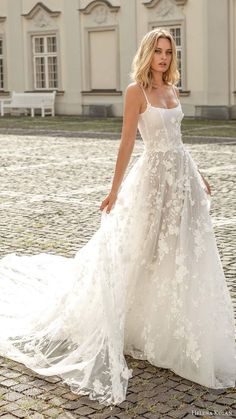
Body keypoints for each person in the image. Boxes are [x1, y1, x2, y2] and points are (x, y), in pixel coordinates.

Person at [0, 28, 235, 407]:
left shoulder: (174, 90)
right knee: (142, 249)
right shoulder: (135, 92)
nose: (163, 57)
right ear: (147, 54)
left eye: (168, 51)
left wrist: (198, 173)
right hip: (152, 180)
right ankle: (133, 320)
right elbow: (127, 141)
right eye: (158, 51)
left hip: (181, 182)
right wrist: (113, 189)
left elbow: (177, 139)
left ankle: (170, 324)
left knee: (178, 253)